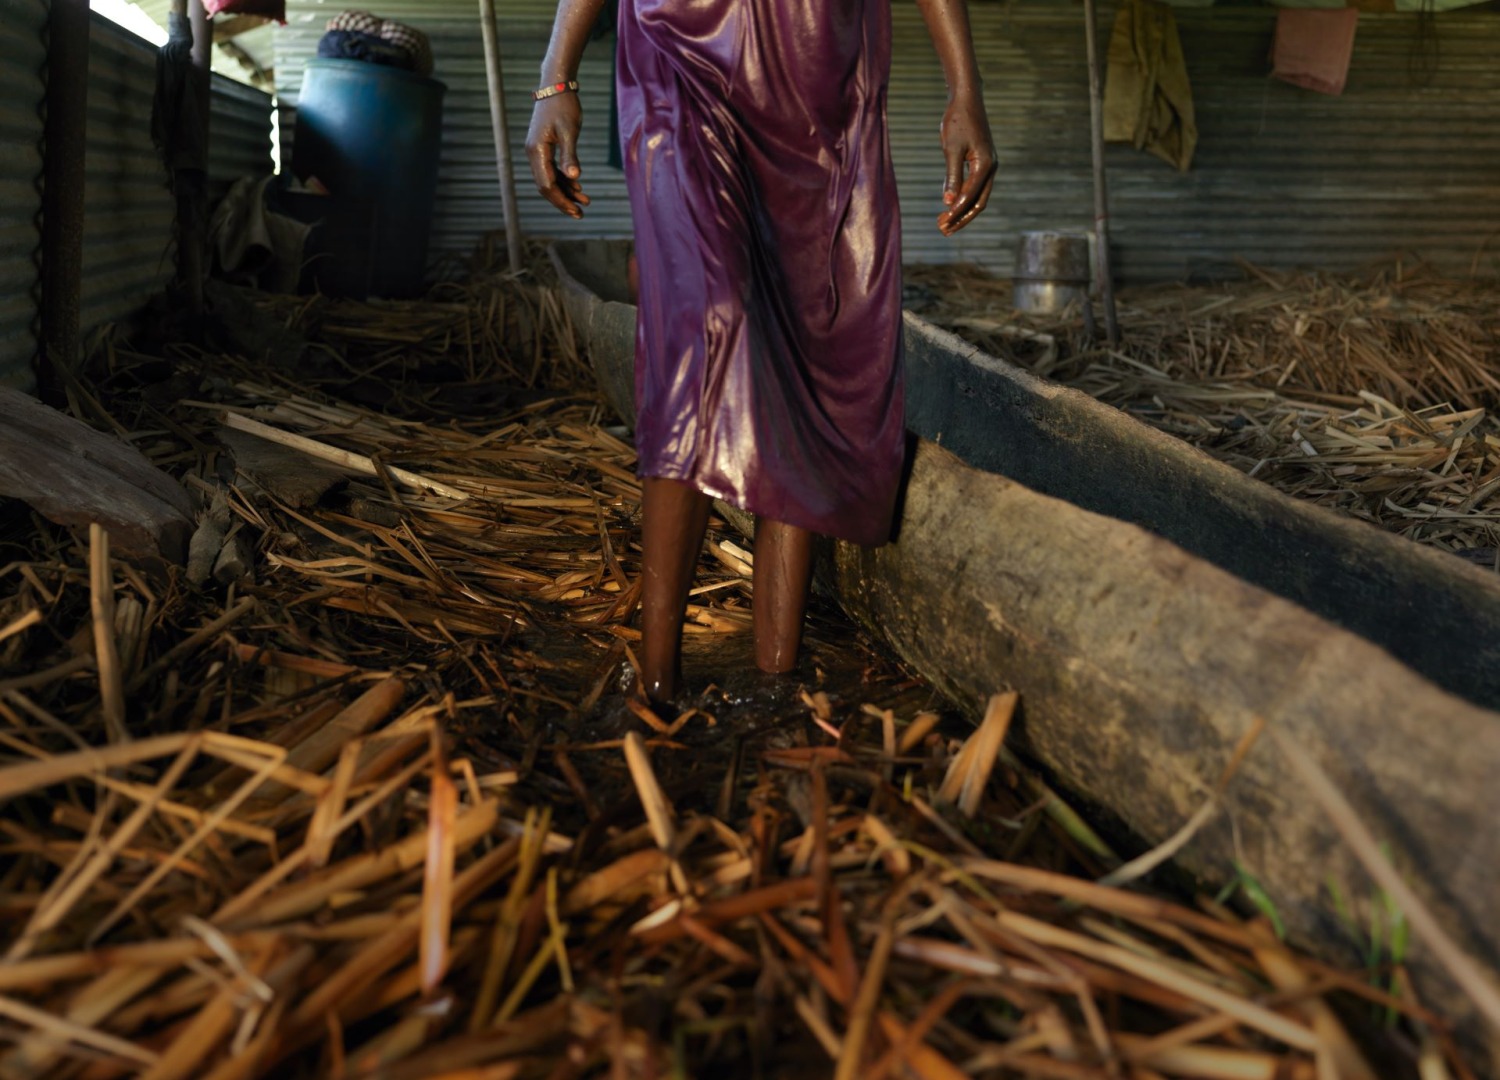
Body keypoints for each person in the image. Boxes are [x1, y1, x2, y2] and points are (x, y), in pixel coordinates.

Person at [527, 0, 996, 705]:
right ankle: (657, 680)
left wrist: (966, 89)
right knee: (699, 324)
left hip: (816, 73)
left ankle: (777, 683)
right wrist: (555, 76)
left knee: (807, 343)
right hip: (676, 54)